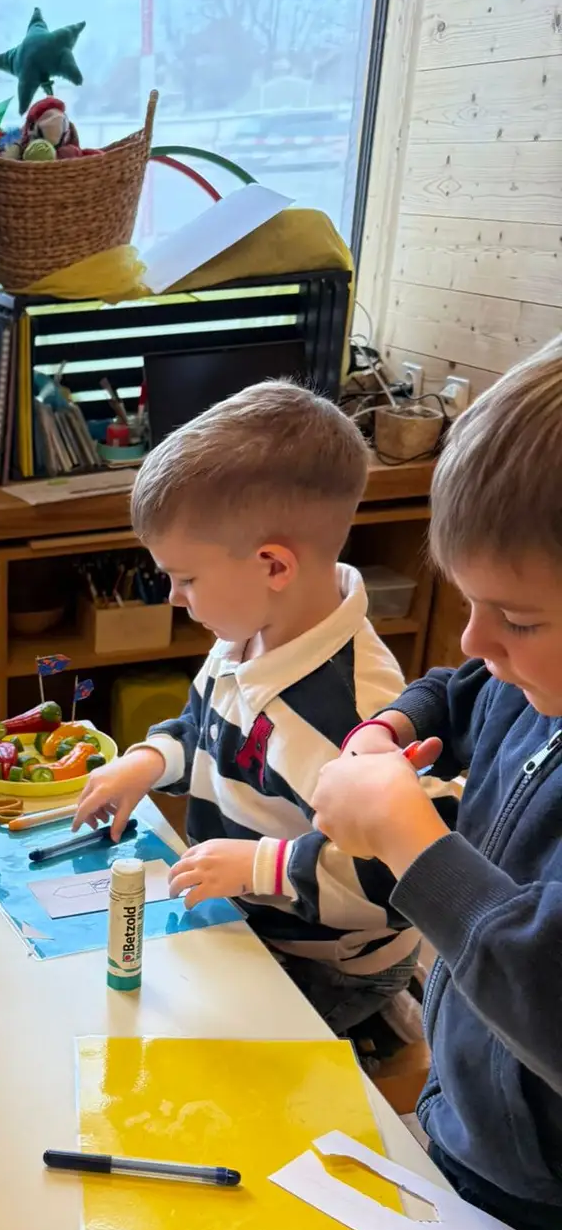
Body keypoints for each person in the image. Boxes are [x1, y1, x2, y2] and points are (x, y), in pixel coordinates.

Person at [313, 337, 562, 1230]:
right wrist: (394, 723)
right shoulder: (528, 681)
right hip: (464, 1130)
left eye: (518, 619)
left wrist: (409, 839)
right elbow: (459, 687)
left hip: (546, 1209)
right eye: (468, 602)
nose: (474, 638)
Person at [69, 381, 418, 1037]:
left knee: (202, 1056)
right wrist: (148, 761)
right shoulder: (246, 632)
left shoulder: (359, 715)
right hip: (248, 913)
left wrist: (260, 867)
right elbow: (204, 729)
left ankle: (380, 1034)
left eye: (186, 579)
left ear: (273, 567)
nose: (173, 597)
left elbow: (391, 880)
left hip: (329, 961)